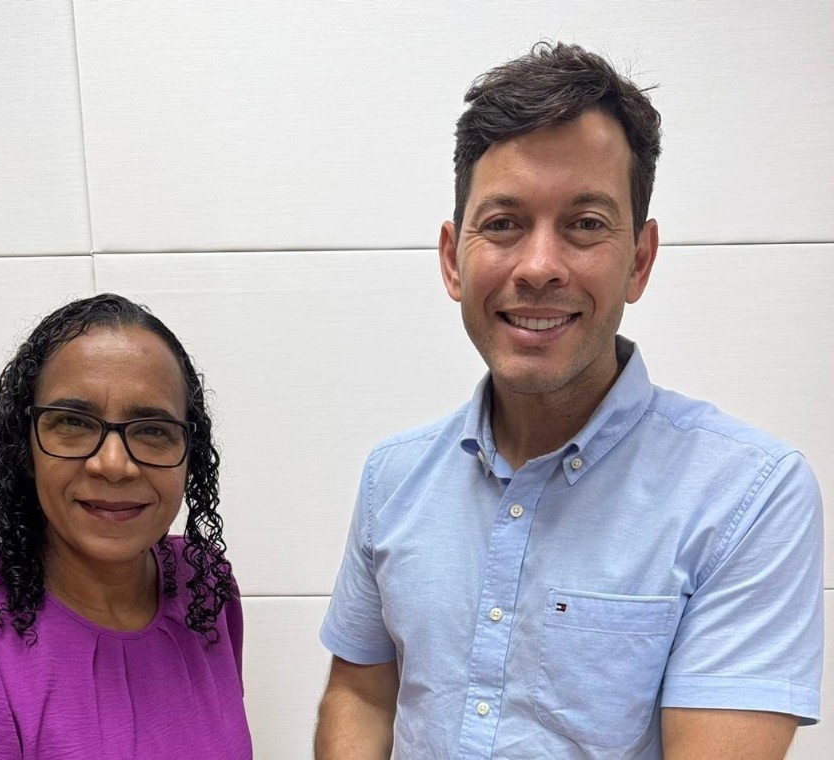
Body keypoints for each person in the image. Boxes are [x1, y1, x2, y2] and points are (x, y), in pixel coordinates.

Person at [315, 42, 824, 760]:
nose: (539, 267)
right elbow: (363, 695)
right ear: (452, 259)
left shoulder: (748, 495)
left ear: (639, 260)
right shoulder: (392, 478)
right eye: (503, 223)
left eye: (585, 224)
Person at [0, 293, 252, 759]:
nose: (113, 464)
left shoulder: (202, 586)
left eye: (152, 429)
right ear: (24, 446)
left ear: (190, 455)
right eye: (73, 422)